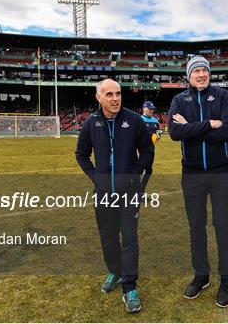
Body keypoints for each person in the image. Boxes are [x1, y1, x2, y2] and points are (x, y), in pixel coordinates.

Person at [75, 79, 154, 313]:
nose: (115, 98)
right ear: (99, 97)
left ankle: (129, 287)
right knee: (108, 237)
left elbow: (148, 151)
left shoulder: (134, 120)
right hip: (102, 194)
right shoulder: (91, 123)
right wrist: (95, 177)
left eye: (118, 93)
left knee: (129, 239)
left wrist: (134, 174)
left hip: (128, 193)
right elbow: (81, 154)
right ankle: (115, 271)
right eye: (109, 94)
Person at [168, 55, 228, 308]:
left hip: (220, 173)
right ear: (188, 75)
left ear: (209, 74)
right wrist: (209, 124)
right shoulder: (179, 100)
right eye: (196, 70)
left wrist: (193, 129)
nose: (201, 74)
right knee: (196, 226)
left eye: (204, 70)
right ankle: (201, 275)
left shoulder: (222, 96)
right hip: (192, 174)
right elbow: (175, 133)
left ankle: (227, 278)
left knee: (223, 225)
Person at [140, 101, 160, 190]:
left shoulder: (156, 121)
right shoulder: (139, 120)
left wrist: (158, 137)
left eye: (153, 109)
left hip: (151, 150)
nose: (152, 111)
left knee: (148, 171)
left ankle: (140, 191)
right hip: (139, 149)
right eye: (150, 109)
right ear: (144, 108)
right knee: (139, 170)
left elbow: (158, 134)